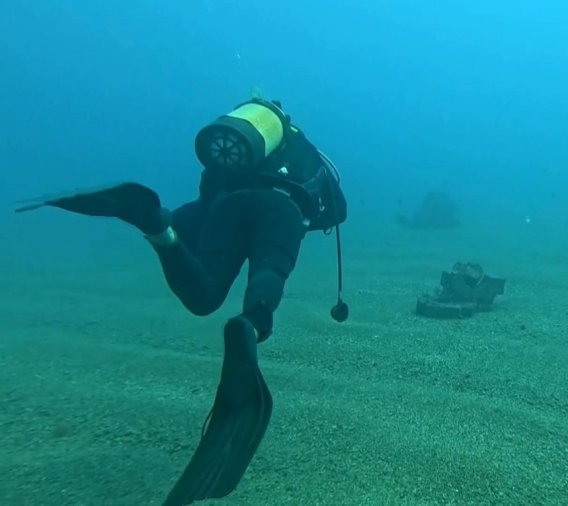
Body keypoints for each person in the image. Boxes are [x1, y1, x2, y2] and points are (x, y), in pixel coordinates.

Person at [16, 95, 348, 505]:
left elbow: (209, 195)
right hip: (281, 208)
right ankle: (252, 322)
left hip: (223, 206)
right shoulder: (306, 153)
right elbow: (337, 210)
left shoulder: (238, 157)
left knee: (203, 295)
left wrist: (190, 222)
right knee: (270, 270)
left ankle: (154, 224)